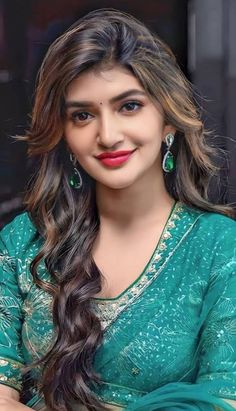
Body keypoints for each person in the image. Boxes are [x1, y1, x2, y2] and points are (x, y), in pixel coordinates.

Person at [0, 8, 236, 411]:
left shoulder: (220, 248)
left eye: (129, 106)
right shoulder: (24, 241)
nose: (107, 135)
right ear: (64, 133)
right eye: (83, 115)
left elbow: (223, 400)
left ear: (168, 119)